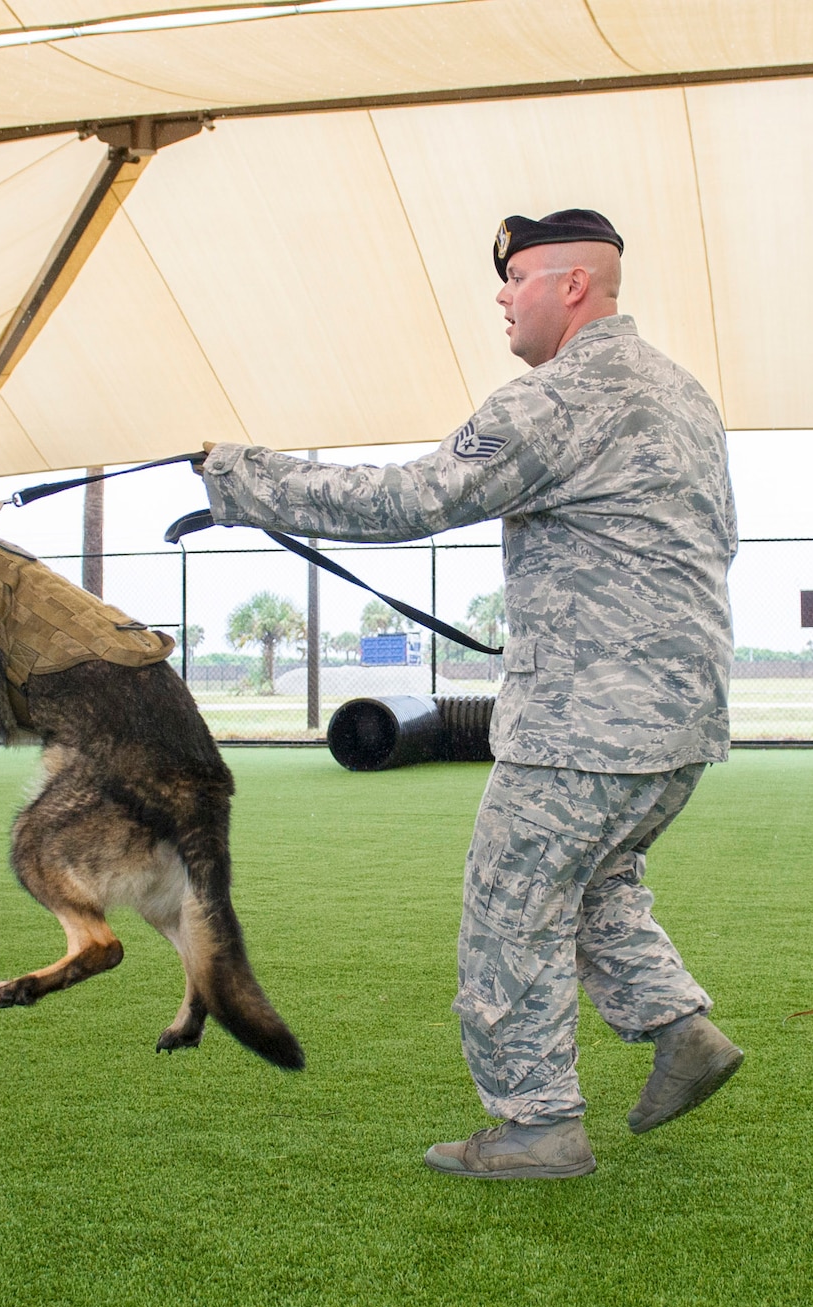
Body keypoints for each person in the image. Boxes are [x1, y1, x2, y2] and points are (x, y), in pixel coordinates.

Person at [197, 209, 743, 1179]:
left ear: (570, 285)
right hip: (677, 715)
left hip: (584, 721)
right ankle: (676, 1029)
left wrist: (243, 478)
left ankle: (535, 1127)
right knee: (593, 880)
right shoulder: (676, 389)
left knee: (508, 911)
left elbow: (410, 499)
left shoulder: (562, 397)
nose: (500, 295)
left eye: (516, 278)